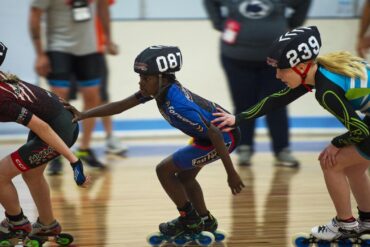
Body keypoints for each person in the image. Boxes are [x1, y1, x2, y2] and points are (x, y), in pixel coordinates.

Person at [64, 45, 245, 236]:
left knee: (164, 170)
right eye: (140, 78)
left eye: (145, 78)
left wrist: (231, 173)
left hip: (224, 138)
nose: (140, 83)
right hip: (208, 137)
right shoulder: (160, 90)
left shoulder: (179, 105)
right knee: (185, 177)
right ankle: (204, 220)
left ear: (162, 78)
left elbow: (215, 134)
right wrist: (83, 115)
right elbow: (120, 106)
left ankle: (189, 219)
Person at [212, 26, 370, 241]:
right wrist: (237, 119)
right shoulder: (320, 71)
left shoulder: (326, 91)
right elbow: (276, 99)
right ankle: (366, 220)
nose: (277, 75)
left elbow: (361, 130)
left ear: (302, 66)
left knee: (331, 162)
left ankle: (345, 225)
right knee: (353, 168)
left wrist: (336, 143)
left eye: (282, 70)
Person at [203, 0, 312, 167]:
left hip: (277, 59)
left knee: (278, 102)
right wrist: (219, 22)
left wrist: (292, 24)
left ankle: (282, 150)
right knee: (243, 104)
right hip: (236, 59)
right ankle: (244, 148)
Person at [0, 42, 89, 242]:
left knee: (0, 175)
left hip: (57, 129)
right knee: (31, 175)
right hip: (57, 121)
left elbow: (42, 128)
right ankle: (47, 225)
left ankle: (17, 223)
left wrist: (74, 161)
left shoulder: (0, 97)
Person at [29, 0, 109, 174]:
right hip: (59, 48)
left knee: (93, 98)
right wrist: (40, 54)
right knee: (57, 103)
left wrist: (108, 39)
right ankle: (55, 153)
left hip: (89, 49)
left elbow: (102, 7)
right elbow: (35, 15)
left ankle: (85, 149)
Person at [68, 0, 127, 156]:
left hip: (93, 50)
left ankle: (105, 139)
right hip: (66, 50)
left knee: (101, 96)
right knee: (63, 97)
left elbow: (104, 9)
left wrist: (108, 40)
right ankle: (60, 145)